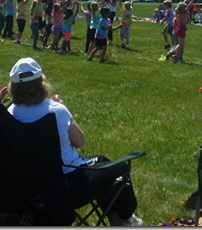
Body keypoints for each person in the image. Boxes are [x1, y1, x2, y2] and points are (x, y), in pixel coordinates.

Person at [7, 57, 142, 226]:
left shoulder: (9, 113)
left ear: (13, 88)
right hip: (68, 185)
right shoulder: (56, 110)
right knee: (119, 168)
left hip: (29, 187)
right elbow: (79, 141)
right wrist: (63, 110)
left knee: (102, 161)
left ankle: (120, 222)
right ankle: (126, 218)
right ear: (41, 84)